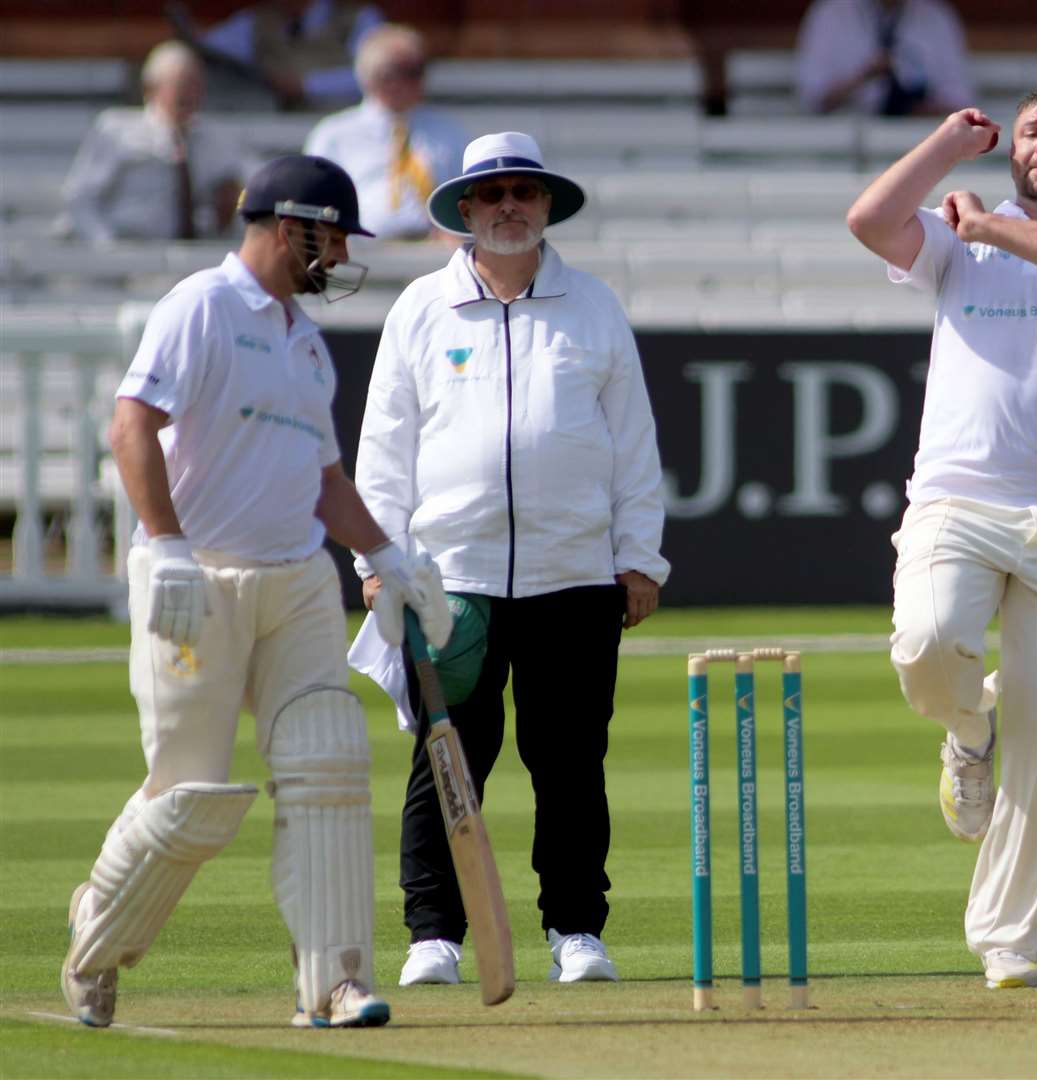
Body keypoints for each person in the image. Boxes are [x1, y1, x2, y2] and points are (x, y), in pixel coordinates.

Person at [60, 154, 453, 1030]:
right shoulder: (201, 306)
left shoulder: (305, 344)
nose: (342, 253)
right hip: (199, 580)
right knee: (191, 795)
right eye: (334, 235)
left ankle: (335, 981)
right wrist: (166, 550)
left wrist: (394, 557)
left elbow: (323, 480)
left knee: (329, 762)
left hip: (299, 582)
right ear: (292, 226)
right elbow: (131, 422)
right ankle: (96, 936)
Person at [846, 86, 1037, 990]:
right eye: (1030, 133)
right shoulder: (952, 234)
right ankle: (965, 728)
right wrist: (947, 144)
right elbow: (869, 218)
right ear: (1008, 149)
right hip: (957, 500)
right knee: (929, 642)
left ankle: (1006, 936)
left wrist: (986, 227)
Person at [347, 131, 670, 989]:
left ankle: (576, 929)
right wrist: (377, 563)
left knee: (569, 759)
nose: (508, 207)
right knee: (449, 755)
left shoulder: (592, 306)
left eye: (524, 192)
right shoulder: (419, 308)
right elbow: (385, 448)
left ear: (546, 205)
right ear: (463, 210)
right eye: (491, 195)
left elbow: (634, 445)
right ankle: (433, 934)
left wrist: (640, 558)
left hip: (574, 574)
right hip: (450, 577)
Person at [61, 41, 247, 246]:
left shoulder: (215, 138)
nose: (190, 94)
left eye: (195, 85)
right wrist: (109, 250)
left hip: (191, 259)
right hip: (127, 256)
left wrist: (228, 212)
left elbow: (244, 187)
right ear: (152, 88)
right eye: (180, 85)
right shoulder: (116, 130)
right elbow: (81, 198)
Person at [303, 23, 469, 242]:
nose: (416, 80)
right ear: (373, 75)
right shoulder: (334, 134)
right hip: (361, 253)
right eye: (404, 71)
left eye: (419, 70)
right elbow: (315, 202)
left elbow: (469, 194)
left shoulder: (449, 131)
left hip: (435, 253)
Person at [796, 0, 973, 116]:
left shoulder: (937, 17)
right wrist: (863, 77)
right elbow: (812, 99)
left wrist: (914, 105)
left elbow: (959, 101)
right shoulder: (830, 14)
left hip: (920, 141)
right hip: (842, 141)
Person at [199, 0, 383, 110]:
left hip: (340, 127)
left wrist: (306, 86)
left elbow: (373, 77)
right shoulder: (259, 19)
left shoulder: (358, 17)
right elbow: (209, 48)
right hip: (274, 128)